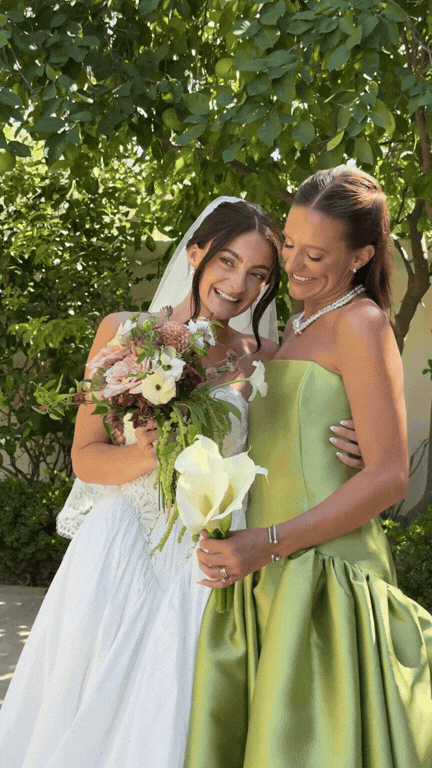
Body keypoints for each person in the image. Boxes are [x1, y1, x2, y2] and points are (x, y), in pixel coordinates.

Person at [0, 196, 360, 768]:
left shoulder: (263, 356)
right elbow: (86, 457)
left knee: (180, 702)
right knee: (88, 697)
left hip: (209, 550)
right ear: (196, 253)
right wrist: (147, 452)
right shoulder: (126, 332)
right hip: (121, 543)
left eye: (258, 274)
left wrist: (349, 448)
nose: (239, 284)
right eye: (226, 262)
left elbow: (296, 437)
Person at [186, 168, 432, 768]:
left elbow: (390, 477)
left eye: (315, 253)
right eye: (289, 244)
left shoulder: (362, 323)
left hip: (324, 575)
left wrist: (267, 544)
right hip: (268, 573)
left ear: (361, 256)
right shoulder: (288, 330)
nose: (292, 264)